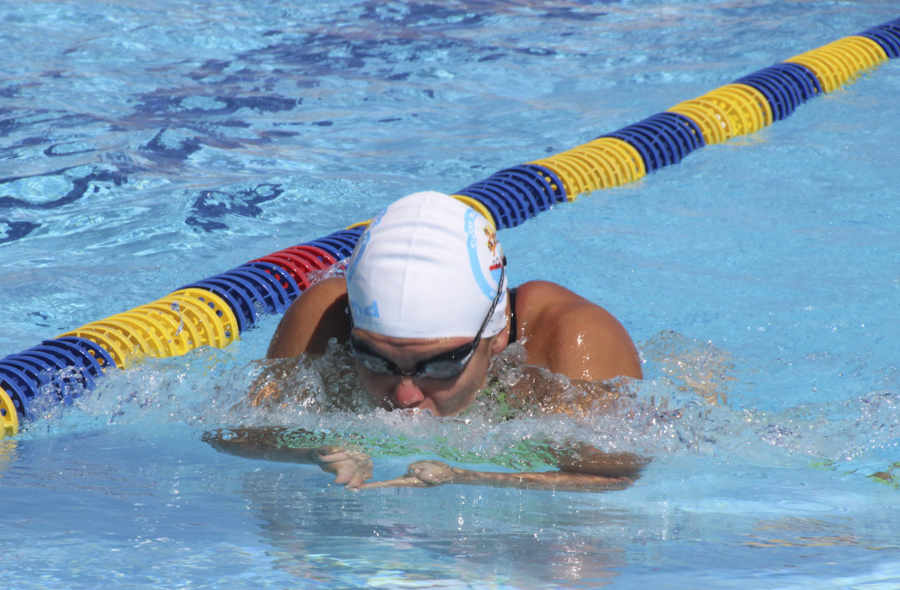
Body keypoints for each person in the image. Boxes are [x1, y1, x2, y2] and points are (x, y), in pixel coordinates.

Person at [208, 190, 645, 490]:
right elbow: (232, 432)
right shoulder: (326, 320)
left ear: (494, 334)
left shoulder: (569, 341)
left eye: (439, 366)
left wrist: (467, 476)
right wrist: (312, 452)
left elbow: (620, 475)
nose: (404, 395)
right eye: (376, 361)